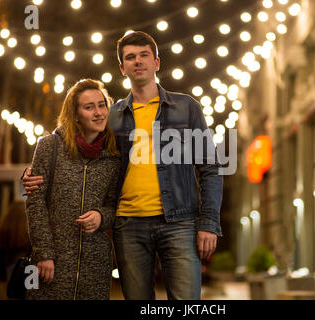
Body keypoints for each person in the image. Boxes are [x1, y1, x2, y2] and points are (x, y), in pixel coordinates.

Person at [24, 31, 223, 300]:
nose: (137, 61)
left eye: (144, 55)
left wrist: (208, 223)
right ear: (122, 68)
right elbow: (75, 144)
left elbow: (210, 168)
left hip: (178, 221)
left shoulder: (186, 107)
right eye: (130, 57)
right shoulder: (112, 115)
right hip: (128, 226)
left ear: (157, 62)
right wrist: (34, 172)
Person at [24, 79, 120, 300]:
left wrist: (101, 216)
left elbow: (116, 205)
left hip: (95, 267)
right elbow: (35, 203)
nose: (98, 113)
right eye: (89, 107)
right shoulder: (50, 146)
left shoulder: (114, 155)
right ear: (75, 115)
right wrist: (44, 253)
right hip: (52, 263)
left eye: (101, 105)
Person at [0, 200, 31, 283]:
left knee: (15, 293)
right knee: (30, 294)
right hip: (30, 268)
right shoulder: (29, 231)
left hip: (11, 267)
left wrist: (2, 277)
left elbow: (2, 256)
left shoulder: (4, 230)